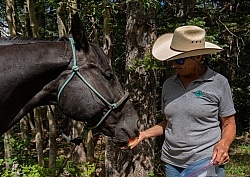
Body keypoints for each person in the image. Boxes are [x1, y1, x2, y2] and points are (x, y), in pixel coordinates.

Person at [130, 25, 236, 177]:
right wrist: (144, 134)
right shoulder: (168, 84)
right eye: (172, 60)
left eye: (180, 60)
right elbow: (168, 122)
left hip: (206, 160)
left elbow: (229, 123)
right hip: (172, 163)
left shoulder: (218, 83)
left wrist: (223, 144)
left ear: (198, 57)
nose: (174, 65)